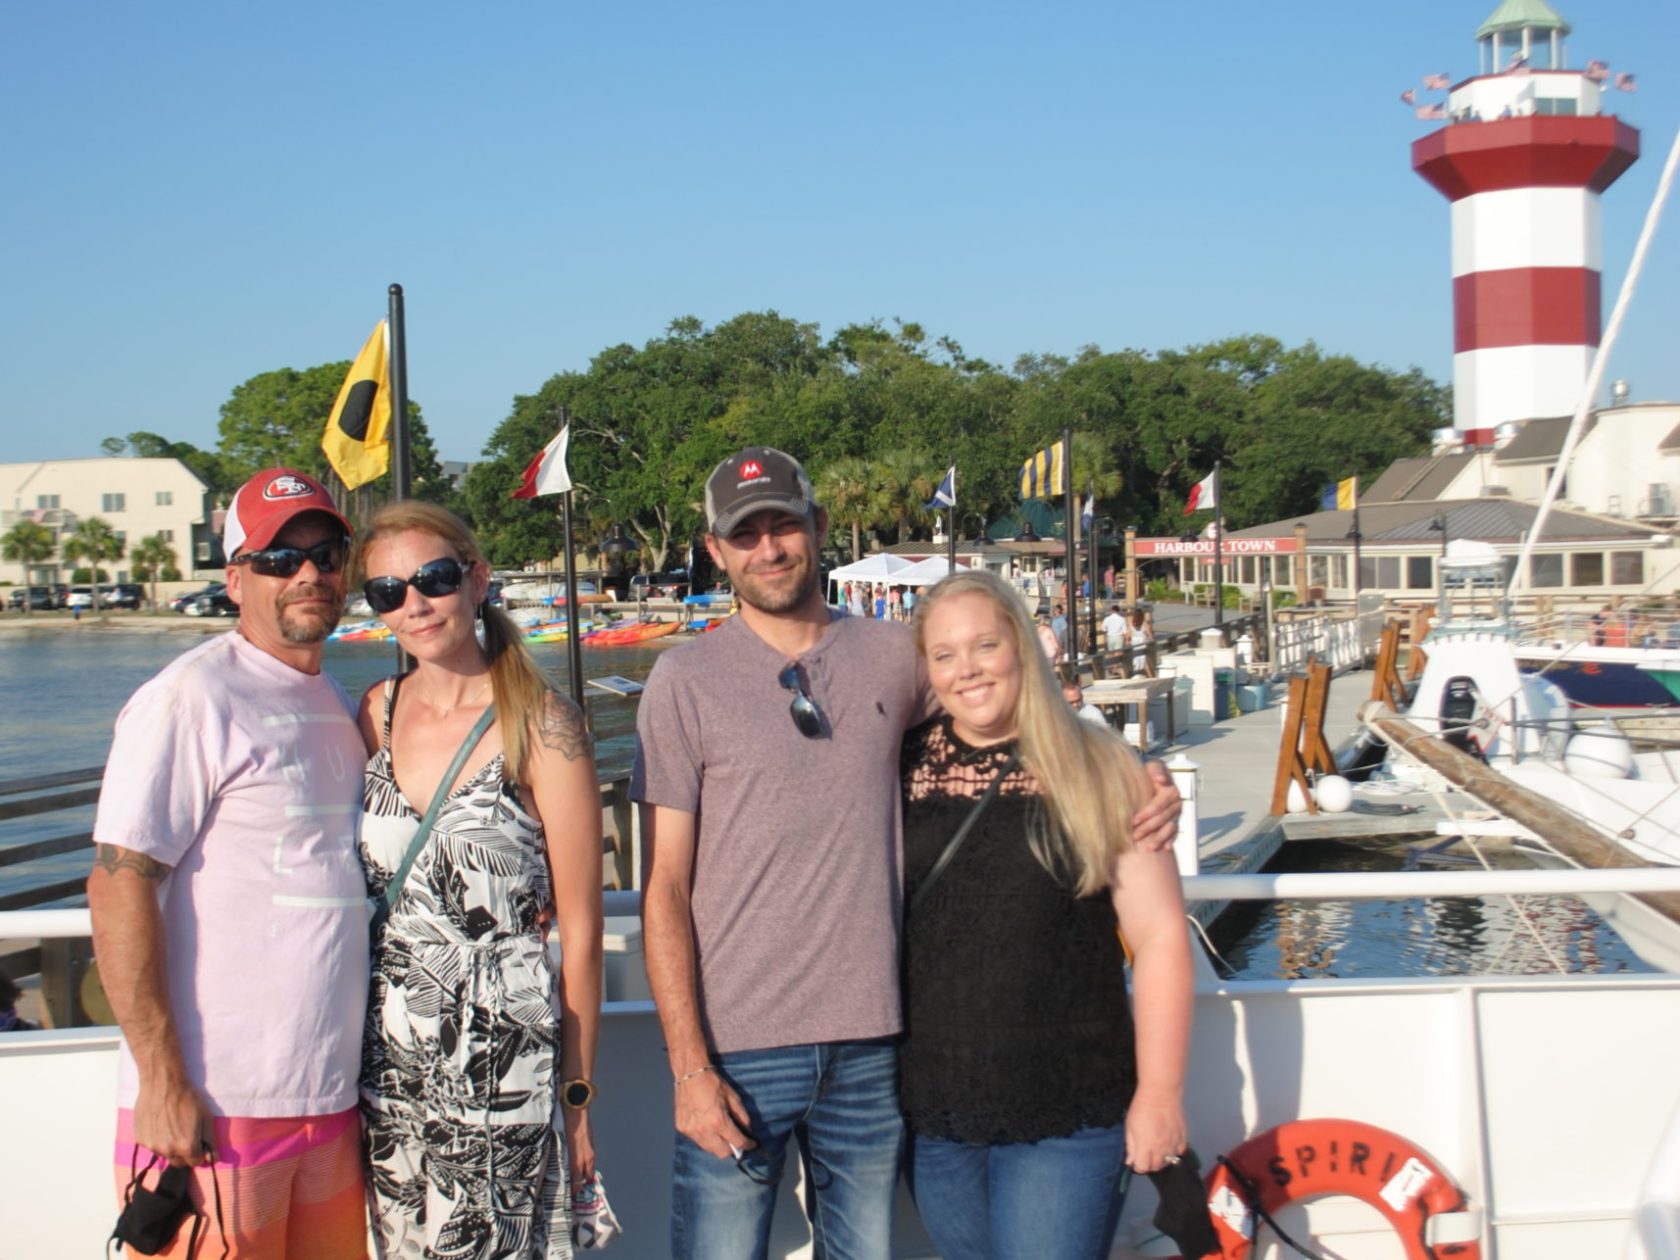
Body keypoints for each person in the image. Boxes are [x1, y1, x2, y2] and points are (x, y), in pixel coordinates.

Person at [632, 447, 1185, 1259]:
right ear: (716, 551)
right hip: (740, 1050)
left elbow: (1001, 705)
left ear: (817, 527)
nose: (769, 548)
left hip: (876, 1051)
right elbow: (664, 888)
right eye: (744, 535)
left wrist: (1135, 772)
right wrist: (688, 1069)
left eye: (784, 524)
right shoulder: (684, 681)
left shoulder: (896, 652)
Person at [87, 467, 370, 1258]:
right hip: (217, 1112)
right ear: (235, 578)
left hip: (331, 1102)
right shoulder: (190, 698)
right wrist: (161, 1081)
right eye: (280, 559)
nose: (309, 573)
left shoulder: (338, 706)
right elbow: (118, 886)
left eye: (325, 552)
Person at [900, 569, 1194, 1258]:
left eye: (985, 646)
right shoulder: (900, 769)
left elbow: (1156, 938)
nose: (967, 670)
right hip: (935, 1110)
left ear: (1024, 647)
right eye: (944, 655)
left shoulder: (1102, 767)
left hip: (1068, 1107)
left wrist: (1160, 1093)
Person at [354, 500, 603, 1258]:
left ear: (477, 579)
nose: (414, 603)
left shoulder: (543, 723)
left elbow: (584, 931)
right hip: (389, 1055)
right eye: (387, 591)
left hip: (503, 1057)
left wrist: (579, 1101)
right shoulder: (372, 714)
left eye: (431, 578)